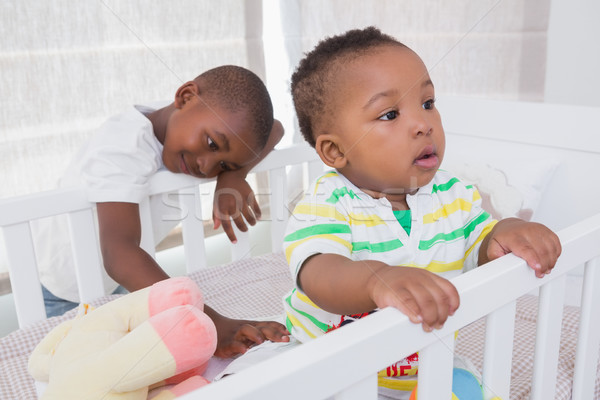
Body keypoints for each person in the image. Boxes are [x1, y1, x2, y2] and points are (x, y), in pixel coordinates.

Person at [283, 27, 561, 398]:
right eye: (390, 114)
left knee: (472, 389)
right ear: (335, 151)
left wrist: (502, 234)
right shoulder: (327, 201)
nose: (423, 124)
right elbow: (317, 271)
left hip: (425, 364)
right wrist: (374, 280)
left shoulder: (453, 194)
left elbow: (479, 244)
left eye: (428, 103)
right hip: (332, 372)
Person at [35, 65, 289, 357]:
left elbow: (276, 129)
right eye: (211, 143)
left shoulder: (185, 116)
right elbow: (119, 253)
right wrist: (212, 322)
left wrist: (234, 175)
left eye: (222, 164)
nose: (206, 167)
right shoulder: (121, 146)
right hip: (62, 288)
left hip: (118, 280)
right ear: (185, 96)